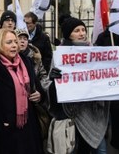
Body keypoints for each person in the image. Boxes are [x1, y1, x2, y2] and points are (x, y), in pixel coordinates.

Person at [44, 17, 109, 154]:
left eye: (83, 30)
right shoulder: (60, 56)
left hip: (92, 112)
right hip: (71, 116)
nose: (82, 33)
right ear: (68, 34)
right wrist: (54, 80)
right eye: (76, 31)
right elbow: (50, 87)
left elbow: (104, 77)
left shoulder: (96, 53)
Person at [0, 29, 43, 154]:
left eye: (15, 42)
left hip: (28, 126)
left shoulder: (26, 61)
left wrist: (39, 95)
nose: (14, 45)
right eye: (9, 42)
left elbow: (37, 87)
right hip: (3, 128)